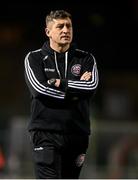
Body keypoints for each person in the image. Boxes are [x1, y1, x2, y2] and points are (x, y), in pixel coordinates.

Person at [24, 9, 99, 179]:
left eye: (69, 26)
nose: (66, 30)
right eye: (60, 26)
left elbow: (91, 87)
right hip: (45, 133)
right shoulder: (34, 58)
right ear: (48, 31)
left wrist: (61, 83)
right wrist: (74, 92)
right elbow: (39, 90)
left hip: (77, 133)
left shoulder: (86, 59)